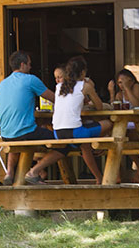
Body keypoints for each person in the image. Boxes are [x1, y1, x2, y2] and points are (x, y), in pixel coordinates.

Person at [0, 50, 64, 185]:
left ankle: (9, 173)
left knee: (16, 138)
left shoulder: (2, 84)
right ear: (22, 65)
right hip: (26, 132)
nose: (30, 67)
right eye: (29, 64)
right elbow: (55, 98)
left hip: (5, 134)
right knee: (64, 143)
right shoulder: (30, 80)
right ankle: (34, 171)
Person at [54, 56, 112, 184]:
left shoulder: (59, 87)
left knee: (85, 146)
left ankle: (99, 178)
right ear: (83, 72)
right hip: (75, 132)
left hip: (57, 132)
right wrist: (90, 87)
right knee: (109, 124)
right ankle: (99, 146)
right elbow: (99, 106)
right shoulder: (85, 86)